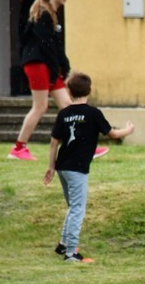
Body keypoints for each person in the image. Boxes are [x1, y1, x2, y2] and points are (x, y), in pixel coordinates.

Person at [10, 0, 110, 161]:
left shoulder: (50, 14)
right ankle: (18, 148)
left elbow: (49, 45)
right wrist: (60, 67)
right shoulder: (43, 15)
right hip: (39, 65)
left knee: (69, 107)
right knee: (40, 106)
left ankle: (85, 146)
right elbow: (47, 46)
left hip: (47, 65)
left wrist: (61, 65)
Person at [43, 72, 134, 262]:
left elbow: (53, 143)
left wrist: (51, 167)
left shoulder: (63, 114)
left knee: (72, 207)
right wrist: (128, 130)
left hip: (62, 167)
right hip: (77, 168)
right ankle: (71, 254)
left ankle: (63, 244)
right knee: (78, 209)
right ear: (90, 91)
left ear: (68, 91)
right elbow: (112, 134)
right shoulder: (93, 114)